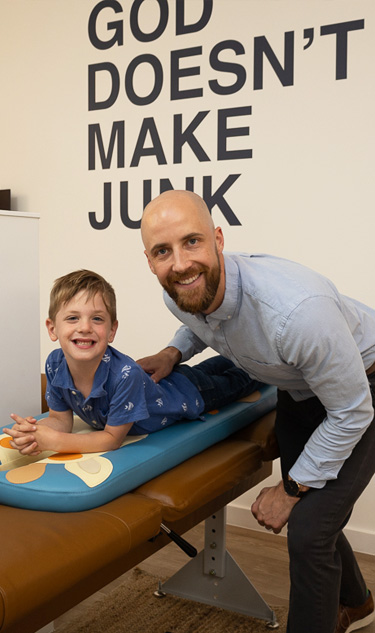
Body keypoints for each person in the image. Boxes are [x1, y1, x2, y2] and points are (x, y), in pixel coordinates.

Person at [138, 189, 375, 633]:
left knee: (308, 528)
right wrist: (173, 352)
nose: (181, 263)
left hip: (362, 389)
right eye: (163, 251)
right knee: (316, 513)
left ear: (218, 239)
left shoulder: (297, 313)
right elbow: (200, 319)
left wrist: (289, 489)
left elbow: (352, 411)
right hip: (299, 388)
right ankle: (358, 602)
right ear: (150, 262)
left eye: (192, 242)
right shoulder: (178, 291)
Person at [4, 269, 261, 457]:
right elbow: (60, 421)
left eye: (97, 319)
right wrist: (32, 431)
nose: (84, 328)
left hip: (192, 395)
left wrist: (57, 442)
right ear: (52, 328)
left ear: (112, 330)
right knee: (216, 366)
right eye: (72, 318)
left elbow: (111, 439)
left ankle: (264, 357)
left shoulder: (124, 374)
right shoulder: (54, 364)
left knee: (247, 373)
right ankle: (241, 354)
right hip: (174, 380)